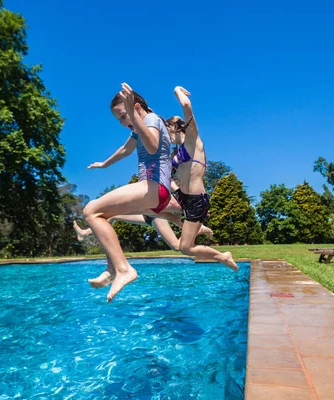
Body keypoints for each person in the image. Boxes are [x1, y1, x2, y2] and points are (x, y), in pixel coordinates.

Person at [83, 83, 173, 302]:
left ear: (137, 106)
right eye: (120, 120)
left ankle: (123, 269)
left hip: (155, 188)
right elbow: (126, 149)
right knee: (104, 216)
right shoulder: (138, 128)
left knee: (91, 210)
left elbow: (152, 147)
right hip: (153, 194)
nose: (124, 123)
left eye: (124, 116)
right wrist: (104, 164)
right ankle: (113, 266)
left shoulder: (151, 120)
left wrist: (134, 114)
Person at [166, 86, 237, 271]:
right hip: (183, 198)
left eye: (167, 131)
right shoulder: (177, 152)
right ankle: (202, 228)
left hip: (197, 200)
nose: (166, 136)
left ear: (175, 126)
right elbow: (170, 177)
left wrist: (176, 91)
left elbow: (186, 104)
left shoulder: (192, 139)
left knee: (185, 248)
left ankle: (223, 256)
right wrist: (175, 189)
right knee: (151, 210)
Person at [73, 216, 213, 288]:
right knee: (110, 215)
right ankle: (85, 233)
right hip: (147, 213)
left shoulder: (164, 178)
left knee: (177, 246)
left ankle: (197, 230)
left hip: (156, 215)